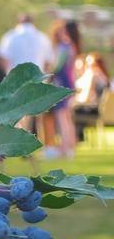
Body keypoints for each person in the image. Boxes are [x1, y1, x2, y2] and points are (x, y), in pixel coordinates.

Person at [45, 20, 77, 158]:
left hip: (62, 83)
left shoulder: (63, 47)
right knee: (66, 117)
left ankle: (65, 148)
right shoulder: (70, 46)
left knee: (62, 116)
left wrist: (48, 71)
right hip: (68, 82)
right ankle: (69, 147)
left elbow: (57, 68)